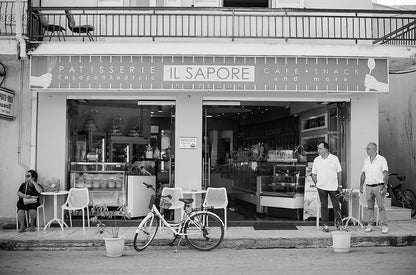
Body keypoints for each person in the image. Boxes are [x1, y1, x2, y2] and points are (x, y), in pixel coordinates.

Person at [311, 142, 342, 232]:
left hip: (333, 187)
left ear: (326, 149)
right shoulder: (317, 159)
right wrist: (317, 184)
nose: (318, 150)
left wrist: (339, 185)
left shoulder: (334, 158)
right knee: (324, 206)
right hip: (321, 188)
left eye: (320, 148)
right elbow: (313, 174)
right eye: (318, 148)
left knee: (336, 206)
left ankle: (339, 224)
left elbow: (339, 172)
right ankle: (325, 225)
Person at [360, 142, 389, 234]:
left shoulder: (381, 159)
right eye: (367, 148)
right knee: (370, 207)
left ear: (374, 149)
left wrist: (385, 186)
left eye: (368, 148)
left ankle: (384, 225)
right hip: (368, 186)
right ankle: (370, 224)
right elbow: (363, 174)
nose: (367, 150)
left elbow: (386, 173)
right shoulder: (366, 160)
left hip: (379, 186)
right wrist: (361, 185)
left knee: (381, 206)